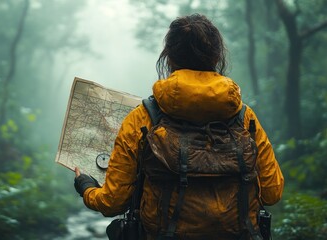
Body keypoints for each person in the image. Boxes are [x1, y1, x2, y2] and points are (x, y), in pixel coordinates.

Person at [74, 13, 284, 239]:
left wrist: (86, 187)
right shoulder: (244, 118)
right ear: (216, 56)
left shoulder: (143, 118)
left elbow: (112, 203)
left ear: (169, 57)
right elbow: (272, 193)